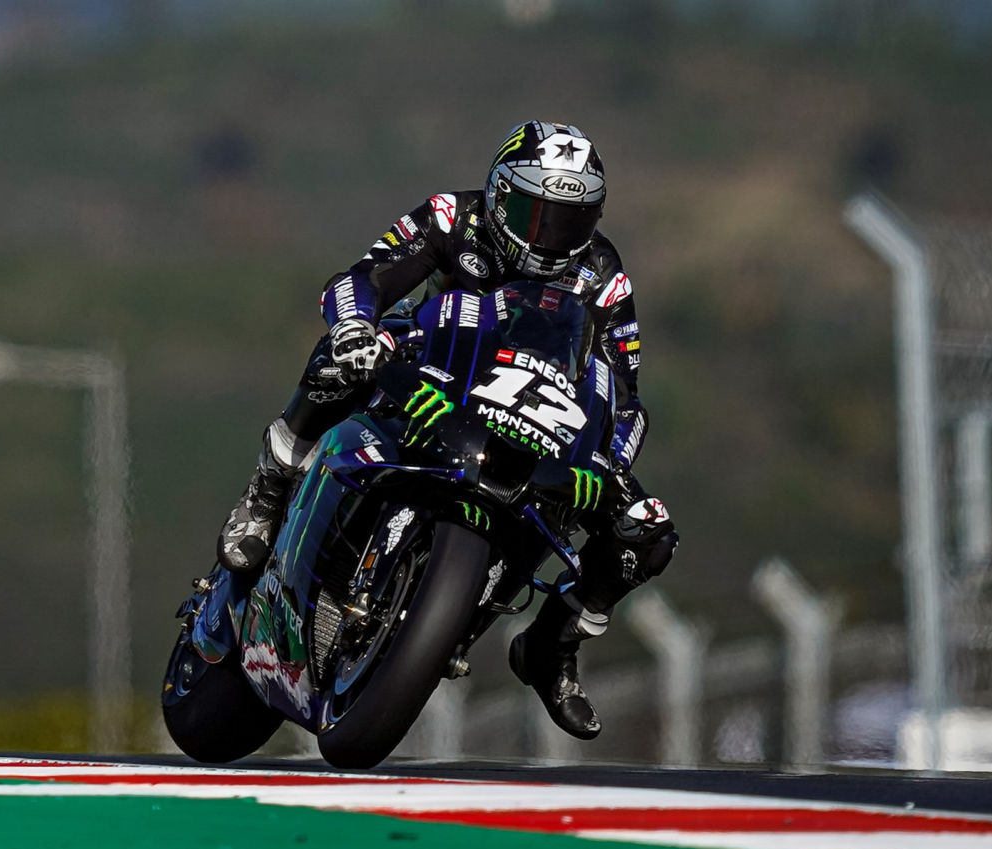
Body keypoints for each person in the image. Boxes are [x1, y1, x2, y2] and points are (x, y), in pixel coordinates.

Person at [216, 120, 678, 740]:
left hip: (531, 413)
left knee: (647, 535)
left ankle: (551, 645)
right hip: (428, 369)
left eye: (567, 221)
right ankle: (268, 491)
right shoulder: (450, 217)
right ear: (498, 192)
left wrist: (614, 460)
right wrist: (356, 328)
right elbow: (364, 277)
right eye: (532, 214)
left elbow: (626, 391)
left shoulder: (603, 273)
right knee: (333, 362)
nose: (546, 238)